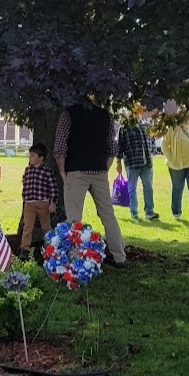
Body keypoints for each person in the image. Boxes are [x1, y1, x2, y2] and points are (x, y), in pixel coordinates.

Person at [54, 98, 126, 267]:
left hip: (76, 171)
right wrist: (104, 168)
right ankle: (119, 256)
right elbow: (112, 148)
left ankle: (73, 258)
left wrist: (63, 172)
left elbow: (59, 146)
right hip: (99, 171)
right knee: (108, 216)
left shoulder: (69, 113)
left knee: (73, 218)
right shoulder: (104, 116)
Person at [115, 116, 159, 221]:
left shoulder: (147, 126)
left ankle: (149, 211)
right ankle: (134, 212)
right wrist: (118, 162)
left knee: (148, 187)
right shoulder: (125, 127)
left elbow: (152, 141)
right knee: (132, 188)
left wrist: (152, 153)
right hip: (132, 162)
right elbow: (119, 145)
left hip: (147, 163)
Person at [20, 142, 57, 260]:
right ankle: (25, 249)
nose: (30, 158)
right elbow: (25, 184)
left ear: (41, 158)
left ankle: (52, 246)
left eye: (32, 156)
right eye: (29, 155)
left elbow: (53, 188)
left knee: (46, 226)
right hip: (29, 203)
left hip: (43, 203)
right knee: (27, 227)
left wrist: (53, 202)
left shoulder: (47, 172)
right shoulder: (28, 170)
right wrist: (25, 198)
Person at [160, 118, 189, 224]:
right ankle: (176, 213)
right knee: (177, 189)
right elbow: (164, 145)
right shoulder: (173, 128)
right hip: (176, 165)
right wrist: (171, 159)